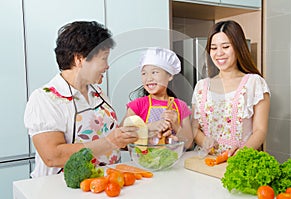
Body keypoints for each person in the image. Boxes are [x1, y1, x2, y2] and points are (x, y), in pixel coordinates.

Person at [24, 21, 139, 178]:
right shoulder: (45, 98)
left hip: (103, 184)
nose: (107, 66)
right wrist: (110, 141)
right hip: (61, 189)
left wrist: (139, 134)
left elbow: (109, 136)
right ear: (79, 59)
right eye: (103, 58)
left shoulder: (97, 92)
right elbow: (53, 156)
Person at [191, 20, 270, 156]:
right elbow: (194, 127)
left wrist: (242, 152)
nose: (219, 53)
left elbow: (260, 130)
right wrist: (205, 141)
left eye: (226, 47)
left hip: (240, 161)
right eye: (214, 48)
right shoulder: (201, 86)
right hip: (207, 161)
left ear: (238, 47)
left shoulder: (254, 83)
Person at [121, 47, 193, 149]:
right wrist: (148, 128)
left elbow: (188, 144)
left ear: (170, 75)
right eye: (144, 73)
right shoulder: (137, 105)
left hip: (173, 161)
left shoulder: (180, 106)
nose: (148, 78)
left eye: (154, 72)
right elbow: (121, 139)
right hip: (144, 162)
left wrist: (176, 125)